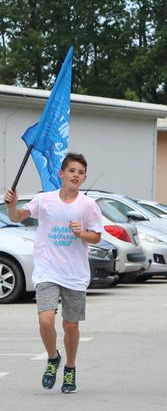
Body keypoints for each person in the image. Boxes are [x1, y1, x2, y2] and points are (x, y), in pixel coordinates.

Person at [5, 153, 104, 393]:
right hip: (47, 270)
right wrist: (11, 204)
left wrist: (81, 234)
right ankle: (52, 358)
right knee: (45, 320)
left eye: (80, 172)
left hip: (75, 273)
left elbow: (97, 236)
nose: (76, 176)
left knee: (71, 326)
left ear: (84, 178)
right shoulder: (44, 200)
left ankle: (70, 367)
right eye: (72, 171)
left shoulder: (88, 205)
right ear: (61, 174)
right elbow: (17, 217)